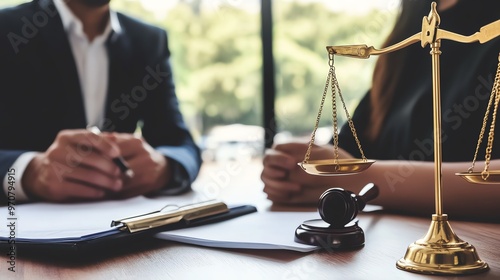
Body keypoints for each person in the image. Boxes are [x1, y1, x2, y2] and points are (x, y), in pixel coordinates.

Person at [261, 0, 500, 220]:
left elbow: (350, 171)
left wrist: (361, 179)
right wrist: (290, 170)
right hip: (387, 249)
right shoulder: (405, 44)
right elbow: (348, 153)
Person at [0, 0, 202, 202]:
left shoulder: (149, 41)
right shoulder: (7, 30)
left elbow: (181, 145)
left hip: (122, 225)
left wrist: (162, 167)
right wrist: (29, 173)